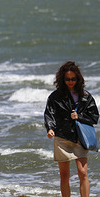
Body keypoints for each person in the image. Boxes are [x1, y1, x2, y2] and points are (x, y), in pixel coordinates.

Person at [44, 61, 99, 197]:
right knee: (64, 175)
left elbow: (94, 117)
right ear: (62, 79)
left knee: (83, 172)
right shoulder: (55, 97)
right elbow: (49, 114)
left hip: (80, 138)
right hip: (62, 138)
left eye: (73, 79)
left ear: (78, 79)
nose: (70, 81)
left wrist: (78, 116)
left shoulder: (86, 97)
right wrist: (50, 128)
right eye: (67, 79)